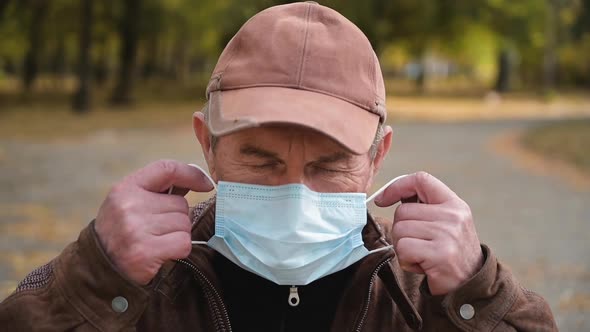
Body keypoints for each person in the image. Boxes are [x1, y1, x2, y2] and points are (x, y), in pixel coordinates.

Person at [0, 2, 557, 331]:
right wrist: (95, 274)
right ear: (207, 144)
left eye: (328, 166)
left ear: (376, 157)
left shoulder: (422, 295)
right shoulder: (143, 279)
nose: (295, 195)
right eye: (261, 161)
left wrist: (476, 291)